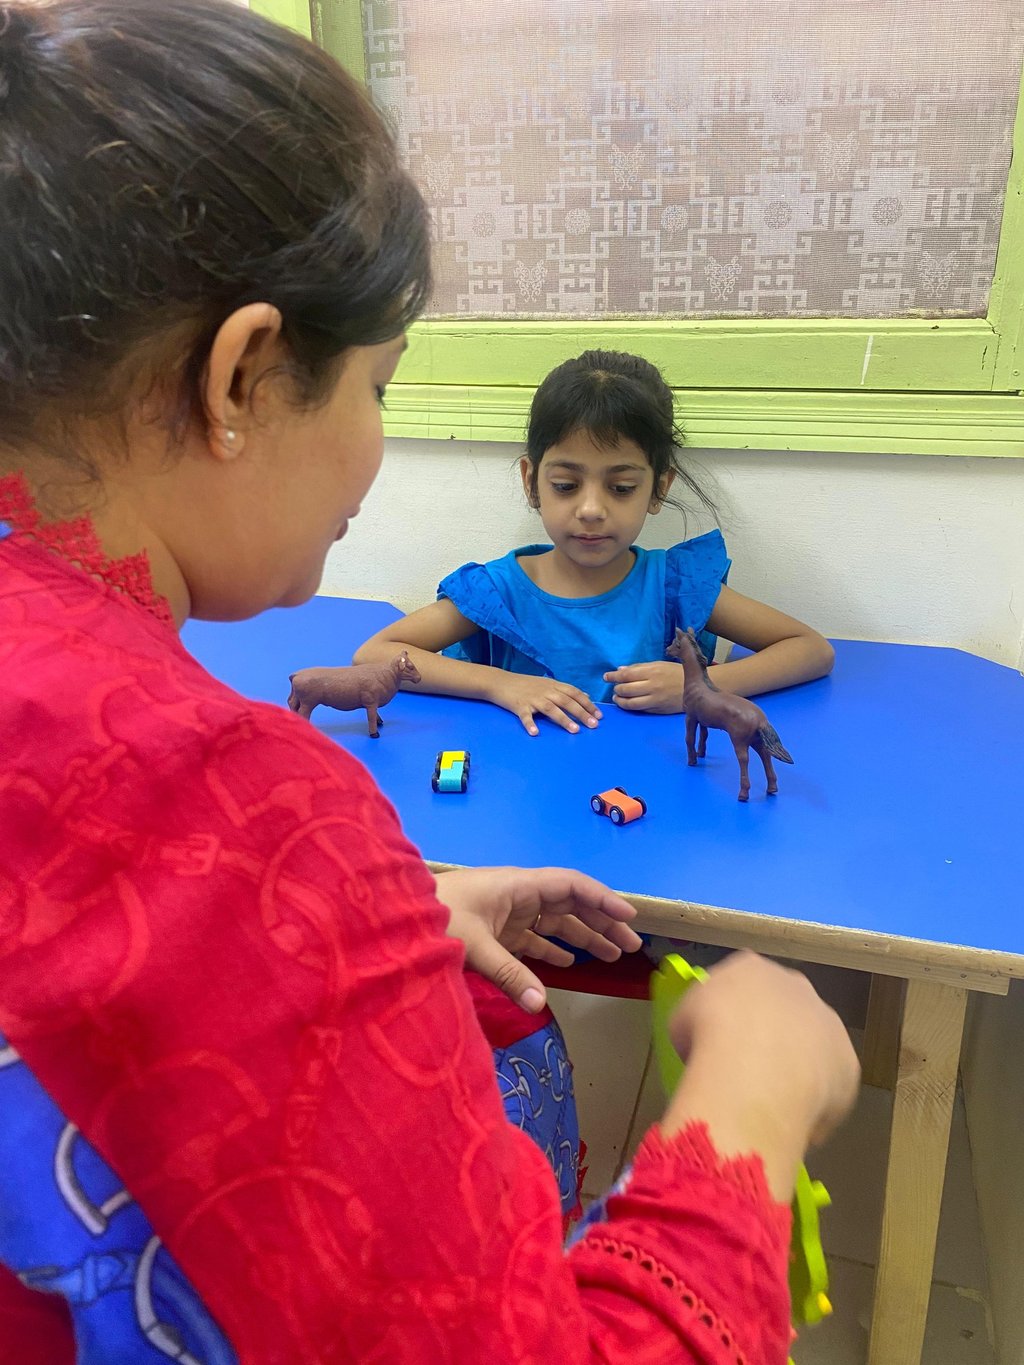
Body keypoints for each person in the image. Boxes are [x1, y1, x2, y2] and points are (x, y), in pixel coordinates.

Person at [0, 2, 859, 1362]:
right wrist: (758, 1092)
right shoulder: (243, 803)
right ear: (242, 375)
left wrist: (381, 912)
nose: (376, 448)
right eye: (379, 388)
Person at [355, 351, 835, 736]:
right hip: (522, 796)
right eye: (566, 485)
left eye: (621, 487)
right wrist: (499, 684)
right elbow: (375, 654)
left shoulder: (675, 586)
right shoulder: (499, 592)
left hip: (654, 803)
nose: (590, 509)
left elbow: (811, 649)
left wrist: (701, 684)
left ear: (658, 489)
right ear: (532, 482)